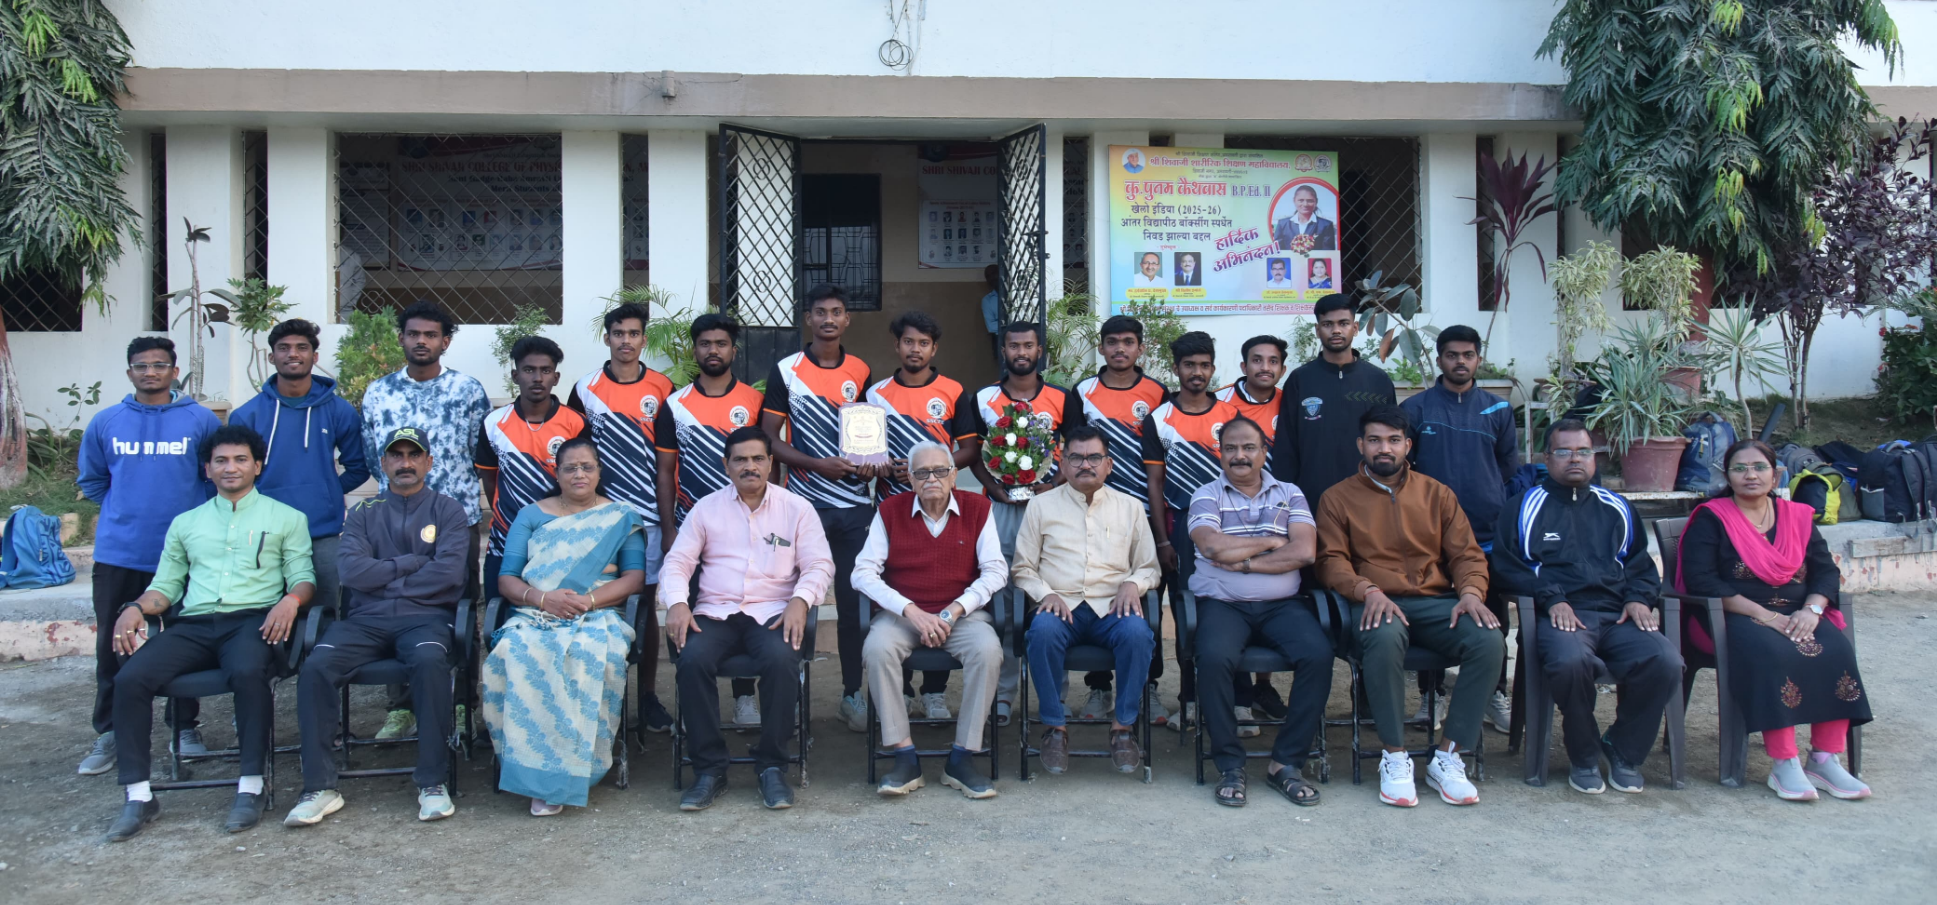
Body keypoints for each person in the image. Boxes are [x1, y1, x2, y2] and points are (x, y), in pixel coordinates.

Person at [102, 424, 315, 841]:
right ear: (207, 469)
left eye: (240, 460)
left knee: (248, 673)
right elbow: (165, 588)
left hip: (253, 621)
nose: (230, 468)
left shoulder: (287, 518)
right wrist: (135, 607)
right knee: (129, 679)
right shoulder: (187, 523)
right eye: (221, 461)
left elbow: (303, 578)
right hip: (195, 624)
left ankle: (251, 786)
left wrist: (291, 601)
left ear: (257, 466)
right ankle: (139, 795)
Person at [1314, 406, 1502, 808]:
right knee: (1384, 636)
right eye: (1375, 440)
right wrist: (1366, 589)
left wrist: (1471, 592)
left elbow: (1467, 554)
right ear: (1361, 445)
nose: (1384, 448)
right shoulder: (1337, 497)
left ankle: (1448, 756)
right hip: (1373, 601)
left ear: (1408, 445)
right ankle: (1395, 756)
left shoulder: (1437, 493)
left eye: (1394, 440)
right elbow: (1330, 560)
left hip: (1436, 601)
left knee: (1488, 640)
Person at [284, 426, 471, 827]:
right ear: (383, 463)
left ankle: (432, 781)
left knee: (429, 663)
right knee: (316, 667)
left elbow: (449, 574)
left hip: (425, 619)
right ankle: (319, 787)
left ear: (428, 462)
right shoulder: (362, 513)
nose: (405, 463)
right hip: (365, 620)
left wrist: (384, 579)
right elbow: (352, 573)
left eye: (414, 455)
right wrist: (411, 563)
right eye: (396, 456)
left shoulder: (448, 510)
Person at [1675, 439, 1873, 802]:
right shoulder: (1711, 517)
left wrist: (1812, 611)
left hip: (1797, 613)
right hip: (1728, 616)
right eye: (1740, 468)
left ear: (1776, 474)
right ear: (1727, 476)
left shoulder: (1797, 516)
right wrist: (1765, 616)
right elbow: (1701, 580)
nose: (1750, 475)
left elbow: (1825, 572)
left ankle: (1824, 759)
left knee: (1836, 649)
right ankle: (1784, 761)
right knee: (1773, 652)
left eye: (1759, 467)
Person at [1491, 419, 1680, 794]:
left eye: (1583, 451)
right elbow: (1504, 568)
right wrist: (1552, 597)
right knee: (1570, 662)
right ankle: (1584, 754)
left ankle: (1623, 748)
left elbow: (1640, 565)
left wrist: (1638, 598)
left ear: (1594, 458)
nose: (1574, 459)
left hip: (1617, 615)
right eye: (1564, 452)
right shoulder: (1524, 507)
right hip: (1559, 617)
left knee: (1665, 661)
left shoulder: (1617, 507)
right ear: (1547, 458)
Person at [661, 427, 834, 812]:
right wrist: (676, 602)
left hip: (773, 611)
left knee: (781, 660)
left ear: (771, 463)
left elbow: (819, 564)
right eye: (740, 459)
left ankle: (772, 765)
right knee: (692, 659)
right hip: (716, 611)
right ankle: (709, 769)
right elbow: (678, 562)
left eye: (757, 459)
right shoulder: (706, 508)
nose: (749, 466)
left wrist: (801, 600)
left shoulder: (796, 509)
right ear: (726, 465)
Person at [75, 337, 219, 776]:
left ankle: (185, 727)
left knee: (183, 641)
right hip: (121, 553)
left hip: (184, 555)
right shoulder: (106, 422)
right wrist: (127, 511)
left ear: (175, 372)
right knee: (112, 644)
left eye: (159, 365)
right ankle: (110, 731)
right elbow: (94, 481)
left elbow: (212, 478)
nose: (150, 372)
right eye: (141, 366)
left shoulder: (200, 420)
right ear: (129, 372)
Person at [481, 438, 647, 816]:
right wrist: (543, 599)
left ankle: (572, 770)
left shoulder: (622, 516)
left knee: (588, 653)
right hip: (536, 614)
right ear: (557, 474)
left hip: (598, 614)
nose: (579, 474)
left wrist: (587, 602)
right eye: (570, 468)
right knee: (515, 650)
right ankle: (534, 770)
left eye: (587, 466)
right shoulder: (531, 515)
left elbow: (634, 578)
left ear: (599, 472)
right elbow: (507, 579)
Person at [360, 301, 492, 739]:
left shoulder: (467, 391)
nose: (421, 341)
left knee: (461, 608)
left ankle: (462, 702)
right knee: (395, 604)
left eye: (431, 335)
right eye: (413, 333)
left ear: (445, 342)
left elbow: (478, 454)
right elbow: (371, 454)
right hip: (393, 520)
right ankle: (401, 706)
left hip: (456, 518)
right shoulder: (379, 393)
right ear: (401, 338)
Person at [1187, 416, 1330, 808]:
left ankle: (1286, 763)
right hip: (1222, 604)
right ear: (1220, 453)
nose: (1240, 456)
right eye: (1230, 448)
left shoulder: (1290, 493)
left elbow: (1304, 551)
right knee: (1213, 658)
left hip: (1282, 605)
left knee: (1318, 655)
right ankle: (1230, 765)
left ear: (1265, 452)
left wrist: (1246, 563)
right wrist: (1270, 540)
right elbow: (1212, 547)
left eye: (1249, 447)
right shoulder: (1206, 495)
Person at [852, 442, 1008, 799]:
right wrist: (910, 610)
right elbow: (862, 573)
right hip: (905, 615)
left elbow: (996, 571)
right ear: (910, 479)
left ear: (954, 475)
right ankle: (904, 756)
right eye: (922, 473)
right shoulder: (889, 510)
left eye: (940, 471)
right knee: (877, 648)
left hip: (960, 615)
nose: (931, 479)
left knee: (987, 650)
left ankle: (962, 757)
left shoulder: (978, 508)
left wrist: (954, 610)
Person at [761, 284, 877, 735]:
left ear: (847, 319)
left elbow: (868, 434)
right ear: (808, 318)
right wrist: (816, 465)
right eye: (820, 312)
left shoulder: (861, 370)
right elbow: (768, 439)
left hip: (854, 508)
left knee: (853, 605)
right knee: (788, 601)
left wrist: (870, 464)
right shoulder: (785, 370)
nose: (829, 319)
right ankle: (787, 697)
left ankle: (851, 694)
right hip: (802, 507)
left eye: (837, 312)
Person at [1011, 424, 1161, 775]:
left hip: (1113, 607)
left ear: (1109, 464)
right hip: (1060, 605)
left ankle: (1123, 728)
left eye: (1094, 457)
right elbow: (1022, 568)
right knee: (1041, 632)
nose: (1085, 465)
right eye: (1076, 458)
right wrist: (1046, 593)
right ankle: (1055, 728)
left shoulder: (1130, 507)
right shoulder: (1040, 506)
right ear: (1062, 464)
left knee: (1139, 635)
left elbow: (1149, 568)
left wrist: (1133, 584)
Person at [655, 312, 772, 730]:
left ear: (733, 351)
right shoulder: (675, 404)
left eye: (721, 343)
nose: (713, 350)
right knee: (693, 618)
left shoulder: (753, 401)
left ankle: (744, 698)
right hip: (692, 527)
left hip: (748, 526)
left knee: (744, 608)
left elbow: (769, 464)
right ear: (695, 350)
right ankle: (695, 706)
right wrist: (669, 529)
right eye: (705, 343)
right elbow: (665, 470)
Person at [1401, 324, 1518, 734]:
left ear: (1478, 359)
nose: (1460, 362)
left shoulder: (1498, 409)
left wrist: (1484, 494)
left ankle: (1494, 694)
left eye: (1468, 355)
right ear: (1439, 359)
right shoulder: (1415, 409)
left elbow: (1507, 467)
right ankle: (1430, 695)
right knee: (1432, 611)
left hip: (1486, 532)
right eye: (1452, 355)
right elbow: (1405, 470)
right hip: (1428, 533)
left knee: (1492, 614)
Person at [568, 302, 677, 734]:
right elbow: (575, 456)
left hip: (648, 516)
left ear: (644, 339)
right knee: (595, 601)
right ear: (607, 338)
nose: (626, 341)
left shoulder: (663, 388)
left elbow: (671, 459)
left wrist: (668, 523)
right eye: (618, 333)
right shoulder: (585, 389)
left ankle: (647, 696)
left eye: (633, 333)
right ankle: (598, 698)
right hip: (597, 517)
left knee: (644, 605)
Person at [958, 321, 1074, 726]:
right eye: (1013, 346)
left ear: (1040, 350)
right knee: (1003, 601)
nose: (1020, 352)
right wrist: (995, 488)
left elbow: (1073, 452)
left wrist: (1052, 486)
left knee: (1052, 596)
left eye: (1027, 345)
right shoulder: (983, 398)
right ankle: (1004, 693)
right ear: (1003, 350)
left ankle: (1054, 696)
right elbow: (974, 453)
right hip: (1002, 508)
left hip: (1052, 508)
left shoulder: (1062, 397)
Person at [865, 311, 976, 718]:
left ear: (934, 348)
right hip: (894, 508)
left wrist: (932, 472)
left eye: (924, 343)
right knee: (900, 586)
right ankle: (903, 689)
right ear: (896, 345)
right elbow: (866, 451)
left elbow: (969, 448)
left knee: (939, 585)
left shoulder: (953, 391)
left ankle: (934, 691)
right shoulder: (875, 394)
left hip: (940, 508)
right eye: (908, 342)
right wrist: (880, 466)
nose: (916, 349)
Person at [230, 318, 370, 635]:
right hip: (263, 531)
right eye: (284, 348)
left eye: (301, 348)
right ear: (272, 357)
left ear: (314, 357)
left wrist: (327, 491)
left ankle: (319, 665)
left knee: (323, 617)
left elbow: (359, 466)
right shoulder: (247, 415)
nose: (293, 354)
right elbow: (236, 476)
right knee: (262, 613)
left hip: (320, 531)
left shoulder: (339, 411)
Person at [1069, 315, 1170, 724]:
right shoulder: (1083, 392)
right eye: (1112, 342)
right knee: (1094, 593)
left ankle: (1148, 686)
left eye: (1128, 342)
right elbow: (1070, 447)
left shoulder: (1157, 393)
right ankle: (1099, 688)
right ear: (1101, 347)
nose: (1120, 349)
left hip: (1142, 511)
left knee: (1145, 603)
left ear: (1140, 348)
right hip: (1090, 511)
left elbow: (1162, 454)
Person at [1141, 332, 1239, 729]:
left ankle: (1220, 699)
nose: (1197, 372)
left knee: (1225, 608)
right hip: (1178, 526)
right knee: (1183, 611)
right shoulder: (1159, 418)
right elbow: (1154, 483)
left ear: (1213, 368)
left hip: (1227, 525)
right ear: (1176, 368)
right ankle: (1179, 695)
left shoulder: (1231, 416)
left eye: (1204, 365)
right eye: (1189, 365)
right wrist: (1163, 539)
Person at [479, 336, 586, 598]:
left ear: (556, 378)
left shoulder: (576, 424)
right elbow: (490, 479)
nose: (537, 378)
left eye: (545, 371)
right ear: (515, 376)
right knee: (498, 614)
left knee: (556, 613)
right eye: (529, 370)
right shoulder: (493, 423)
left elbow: (584, 482)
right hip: (505, 541)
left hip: (560, 544)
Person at [1272, 293, 1395, 503]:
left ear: (1355, 328)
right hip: (1311, 498)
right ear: (1317, 330)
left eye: (1343, 323)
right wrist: (1286, 498)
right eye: (1327, 324)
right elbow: (1287, 445)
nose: (1336, 330)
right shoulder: (1300, 380)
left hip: (1369, 497)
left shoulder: (1378, 381)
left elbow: (1391, 441)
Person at [1271, 185, 1338, 252]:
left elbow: (1328, 253)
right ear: (1294, 200)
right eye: (1301, 200)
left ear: (1316, 201)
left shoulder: (1326, 225)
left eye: (1310, 201)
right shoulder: (1283, 224)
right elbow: (1278, 251)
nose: (1305, 204)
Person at [981, 264, 1003, 366]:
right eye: (989, 276)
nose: (993, 278)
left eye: (995, 274)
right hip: (1000, 340)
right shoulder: (987, 300)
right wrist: (1010, 324)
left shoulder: (1014, 294)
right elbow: (991, 327)